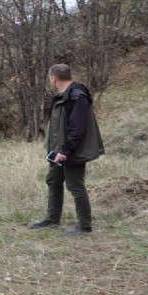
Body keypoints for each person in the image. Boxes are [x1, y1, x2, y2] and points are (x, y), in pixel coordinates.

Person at [30, 64, 105, 235]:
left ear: (53, 78)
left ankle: (84, 226)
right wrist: (55, 150)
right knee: (53, 181)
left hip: (72, 151)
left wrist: (65, 151)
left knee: (75, 186)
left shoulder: (77, 96)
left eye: (50, 78)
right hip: (59, 151)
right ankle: (52, 219)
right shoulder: (64, 96)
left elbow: (77, 128)